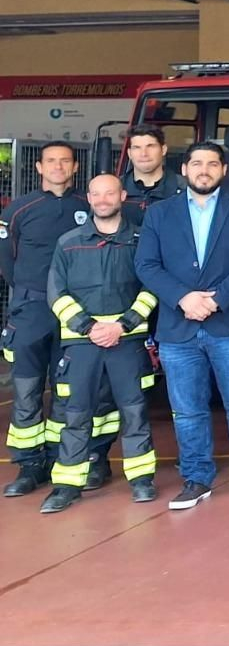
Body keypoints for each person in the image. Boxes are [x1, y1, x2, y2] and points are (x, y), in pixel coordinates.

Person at [135, 143, 229, 509]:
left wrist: (215, 300)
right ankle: (196, 479)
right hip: (178, 326)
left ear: (223, 170)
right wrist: (184, 298)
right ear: (184, 170)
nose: (204, 169)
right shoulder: (160, 214)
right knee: (186, 409)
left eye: (212, 163)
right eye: (196, 163)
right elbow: (146, 265)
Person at [36, 175, 159, 513]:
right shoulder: (68, 242)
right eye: (97, 194)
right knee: (74, 415)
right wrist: (89, 327)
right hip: (81, 346)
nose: (103, 199)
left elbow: (152, 287)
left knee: (135, 414)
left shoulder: (140, 240)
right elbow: (56, 294)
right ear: (88, 197)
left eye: (110, 193)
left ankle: (141, 479)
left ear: (122, 195)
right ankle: (67, 485)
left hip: (127, 342)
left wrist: (123, 325)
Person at [1, 141, 93, 497]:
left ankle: (61, 460)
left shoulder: (87, 207)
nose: (58, 166)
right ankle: (29, 465)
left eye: (65, 161)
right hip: (32, 309)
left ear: (74, 168)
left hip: (75, 314)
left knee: (67, 390)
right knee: (26, 390)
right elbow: (7, 259)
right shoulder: (20, 210)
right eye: (51, 161)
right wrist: (29, 291)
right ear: (39, 168)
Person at [119, 124, 183, 224]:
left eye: (150, 146)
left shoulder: (186, 189)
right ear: (129, 153)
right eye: (137, 147)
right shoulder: (114, 190)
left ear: (163, 150)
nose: (143, 153)